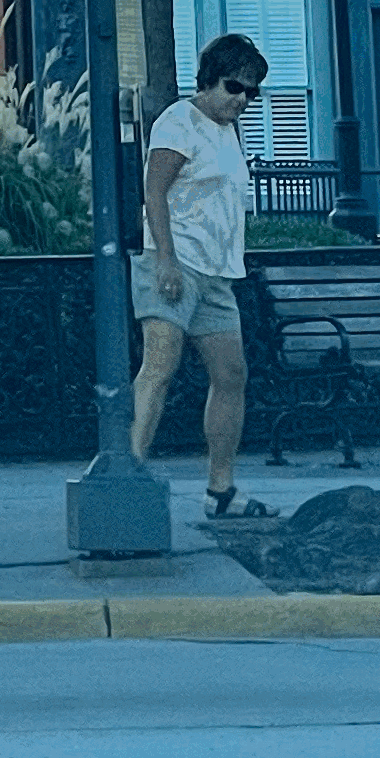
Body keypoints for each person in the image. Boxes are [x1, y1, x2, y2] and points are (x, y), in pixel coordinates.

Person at [130, 30, 278, 524]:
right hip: (175, 262)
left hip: (217, 272)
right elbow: (154, 192)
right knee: (160, 365)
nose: (243, 101)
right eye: (235, 88)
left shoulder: (226, 130)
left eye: (253, 93)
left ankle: (221, 489)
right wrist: (165, 258)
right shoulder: (180, 120)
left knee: (231, 373)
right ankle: (125, 475)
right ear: (212, 79)